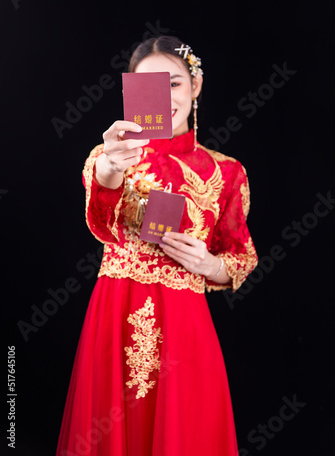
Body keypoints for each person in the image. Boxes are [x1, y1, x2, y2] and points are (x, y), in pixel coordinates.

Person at [56, 35, 258, 456]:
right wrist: (111, 165)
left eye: (175, 84)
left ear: (195, 86)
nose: (165, 97)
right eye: (150, 86)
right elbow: (100, 217)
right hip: (116, 312)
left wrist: (208, 264)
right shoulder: (112, 154)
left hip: (185, 322)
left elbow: (241, 256)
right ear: (133, 92)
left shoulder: (227, 172)